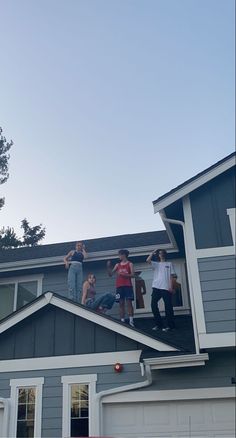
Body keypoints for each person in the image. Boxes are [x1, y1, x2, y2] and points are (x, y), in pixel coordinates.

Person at [146, 249, 177, 331]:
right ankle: (159, 324)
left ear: (165, 255)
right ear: (158, 255)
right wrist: (152, 253)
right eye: (160, 253)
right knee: (153, 305)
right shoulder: (156, 264)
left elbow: (173, 276)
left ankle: (170, 326)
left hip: (166, 288)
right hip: (156, 287)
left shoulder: (169, 264)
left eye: (162, 253)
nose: (161, 254)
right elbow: (148, 260)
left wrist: (171, 287)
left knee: (168, 307)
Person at [107, 249, 135, 327]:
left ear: (124, 255)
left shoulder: (130, 264)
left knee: (129, 303)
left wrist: (123, 274)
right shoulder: (117, 265)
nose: (119, 256)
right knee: (121, 303)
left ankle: (131, 321)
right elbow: (110, 274)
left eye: (120, 255)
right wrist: (108, 266)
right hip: (119, 286)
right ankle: (122, 321)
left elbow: (133, 275)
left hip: (128, 286)